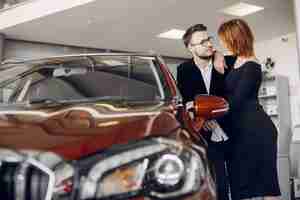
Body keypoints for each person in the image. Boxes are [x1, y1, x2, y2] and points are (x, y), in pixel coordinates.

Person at [217, 18, 281, 200]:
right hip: (240, 133)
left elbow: (235, 102)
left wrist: (212, 109)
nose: (221, 43)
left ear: (235, 39)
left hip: (257, 132)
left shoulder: (252, 65)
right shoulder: (234, 61)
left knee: (266, 187)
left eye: (224, 39)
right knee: (241, 187)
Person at [176, 24, 230, 200]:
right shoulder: (183, 70)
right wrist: (201, 117)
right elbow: (185, 102)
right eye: (203, 41)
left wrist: (219, 56)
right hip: (201, 137)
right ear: (191, 47)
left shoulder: (224, 63)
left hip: (229, 133)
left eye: (209, 39)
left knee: (224, 186)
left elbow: (231, 98)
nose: (209, 44)